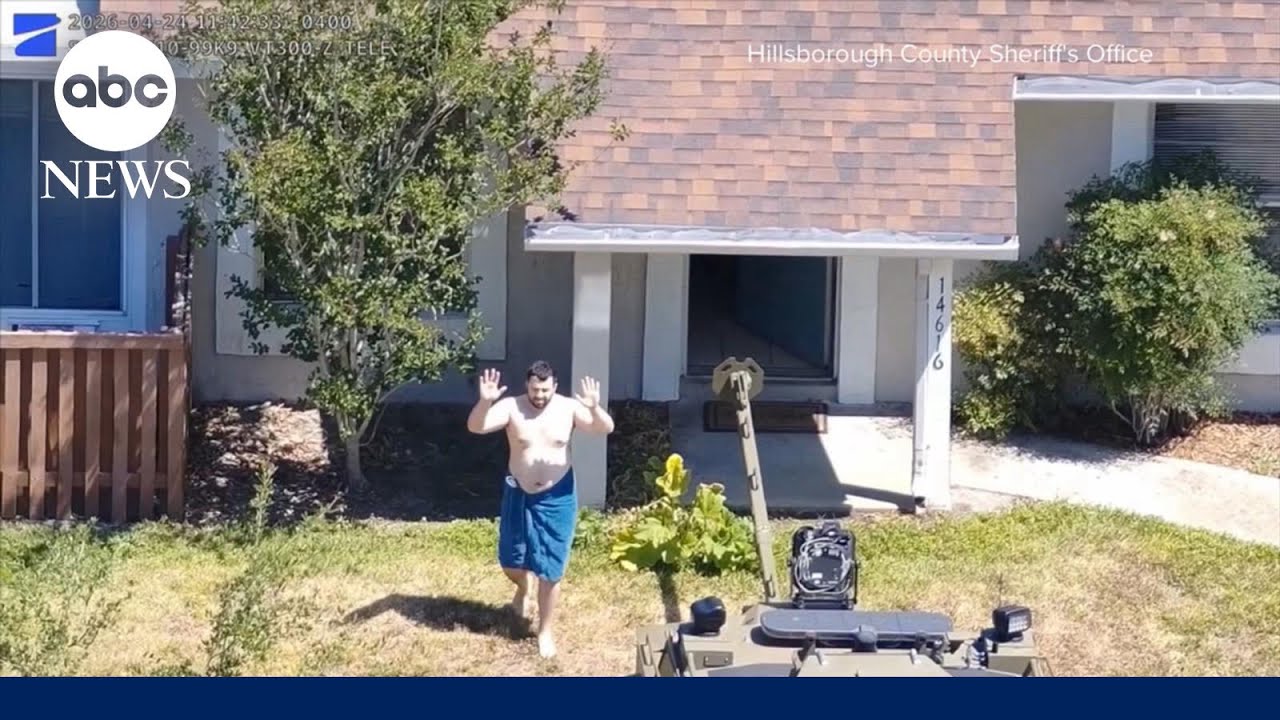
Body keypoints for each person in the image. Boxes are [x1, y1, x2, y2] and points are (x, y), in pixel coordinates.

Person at [465, 360, 615, 659]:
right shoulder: (512, 407)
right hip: (518, 491)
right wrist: (485, 401)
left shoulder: (568, 408)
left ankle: (545, 631)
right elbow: (476, 426)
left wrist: (595, 407)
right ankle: (524, 588)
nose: (540, 396)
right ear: (527, 386)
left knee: (551, 569)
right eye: (535, 390)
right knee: (511, 561)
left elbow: (604, 428)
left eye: (545, 390)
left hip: (557, 495)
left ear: (554, 386)